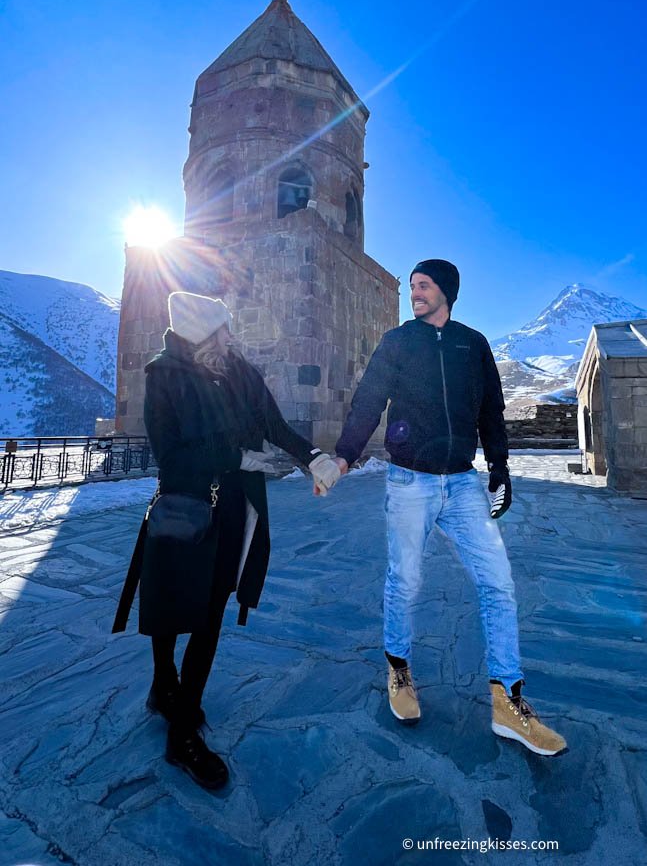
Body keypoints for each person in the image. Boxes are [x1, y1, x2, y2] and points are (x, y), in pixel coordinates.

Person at [332, 259, 567, 757]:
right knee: (406, 580)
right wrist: (346, 453)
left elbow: (490, 411)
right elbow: (369, 398)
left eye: (423, 286)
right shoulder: (399, 341)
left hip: (462, 485)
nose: (414, 293)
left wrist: (499, 467)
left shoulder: (472, 344)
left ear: (447, 291)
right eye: (412, 286)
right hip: (409, 480)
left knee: (498, 585)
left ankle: (508, 703)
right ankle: (399, 671)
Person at [113, 291, 340, 790]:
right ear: (201, 331)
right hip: (186, 508)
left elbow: (274, 423)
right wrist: (233, 458)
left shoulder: (238, 369)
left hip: (232, 510)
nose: (230, 336)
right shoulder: (163, 377)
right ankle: (162, 684)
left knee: (211, 611)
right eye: (222, 328)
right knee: (172, 606)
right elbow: (170, 458)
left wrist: (314, 457)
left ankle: (183, 727)